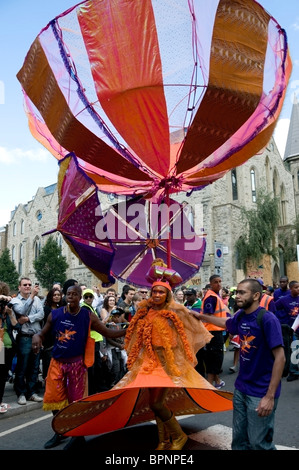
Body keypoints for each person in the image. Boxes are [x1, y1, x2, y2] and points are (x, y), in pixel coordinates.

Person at [51, 265, 233, 451]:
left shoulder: (175, 311)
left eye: (161, 292)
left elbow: (193, 332)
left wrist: (189, 320)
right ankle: (164, 441)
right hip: (149, 363)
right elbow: (134, 331)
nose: (156, 295)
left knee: (156, 403)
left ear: (167, 295)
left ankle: (179, 436)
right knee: (156, 404)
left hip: (166, 363)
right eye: (154, 291)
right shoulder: (144, 311)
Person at [32, 284, 127, 449]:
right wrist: (36, 336)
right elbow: (42, 332)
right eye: (68, 293)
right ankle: (61, 431)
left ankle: (78, 435)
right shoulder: (55, 314)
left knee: (75, 403)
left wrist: (130, 329)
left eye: (74, 294)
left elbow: (108, 333)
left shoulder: (88, 316)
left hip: (77, 364)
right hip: (57, 363)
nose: (70, 296)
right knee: (54, 399)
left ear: (79, 297)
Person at [197, 278, 285, 450]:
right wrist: (200, 316)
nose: (237, 296)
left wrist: (269, 396)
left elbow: (280, 358)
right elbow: (226, 324)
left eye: (242, 292)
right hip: (241, 390)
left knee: (259, 444)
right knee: (239, 441)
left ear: (256, 295)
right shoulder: (240, 316)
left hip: (260, 393)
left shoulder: (267, 319)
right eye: (237, 292)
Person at [10, 277, 44, 405]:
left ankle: (32, 392)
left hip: (36, 336)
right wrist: (31, 298)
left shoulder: (36, 300)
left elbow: (41, 315)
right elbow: (20, 311)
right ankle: (21, 393)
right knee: (22, 366)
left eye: (29, 284)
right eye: (25, 285)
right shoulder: (15, 300)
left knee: (34, 367)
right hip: (24, 337)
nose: (28, 287)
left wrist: (28, 319)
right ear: (19, 287)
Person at [201, 275, 229, 389]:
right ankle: (209, 387)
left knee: (214, 359)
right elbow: (208, 316)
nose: (219, 284)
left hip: (215, 331)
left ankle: (217, 381)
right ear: (211, 284)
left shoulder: (215, 296)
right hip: (213, 332)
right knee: (215, 359)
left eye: (220, 281)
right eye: (216, 282)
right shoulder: (211, 297)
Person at [81, 288, 108, 394]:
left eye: (90, 296)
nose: (88, 298)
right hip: (91, 341)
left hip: (95, 340)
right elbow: (89, 324)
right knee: (92, 366)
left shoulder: (90, 308)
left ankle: (96, 388)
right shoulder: (85, 308)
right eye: (86, 297)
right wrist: (101, 324)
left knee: (97, 366)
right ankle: (93, 390)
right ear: (83, 298)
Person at [0, 282, 21, 413]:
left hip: (7, 346)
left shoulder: (7, 310)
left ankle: (0, 401)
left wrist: (10, 313)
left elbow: (16, 326)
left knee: (2, 376)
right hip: (1, 346)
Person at [275, 280, 299, 382]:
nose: (298, 289)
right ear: (291, 289)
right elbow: (274, 307)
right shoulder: (284, 300)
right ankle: (294, 372)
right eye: (296, 287)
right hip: (292, 329)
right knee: (294, 350)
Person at [41, 288, 63, 380]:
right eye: (54, 295)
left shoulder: (62, 309)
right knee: (49, 363)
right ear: (50, 297)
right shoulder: (46, 309)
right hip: (49, 340)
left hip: (61, 340)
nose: (57, 296)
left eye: (58, 295)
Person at [106, 307, 128, 387]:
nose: (116, 318)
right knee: (115, 366)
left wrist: (124, 344)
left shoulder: (122, 325)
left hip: (122, 349)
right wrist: (119, 345)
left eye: (118, 316)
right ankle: (112, 383)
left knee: (123, 365)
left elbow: (125, 335)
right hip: (112, 349)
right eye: (114, 316)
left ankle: (120, 382)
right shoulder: (109, 326)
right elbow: (108, 339)